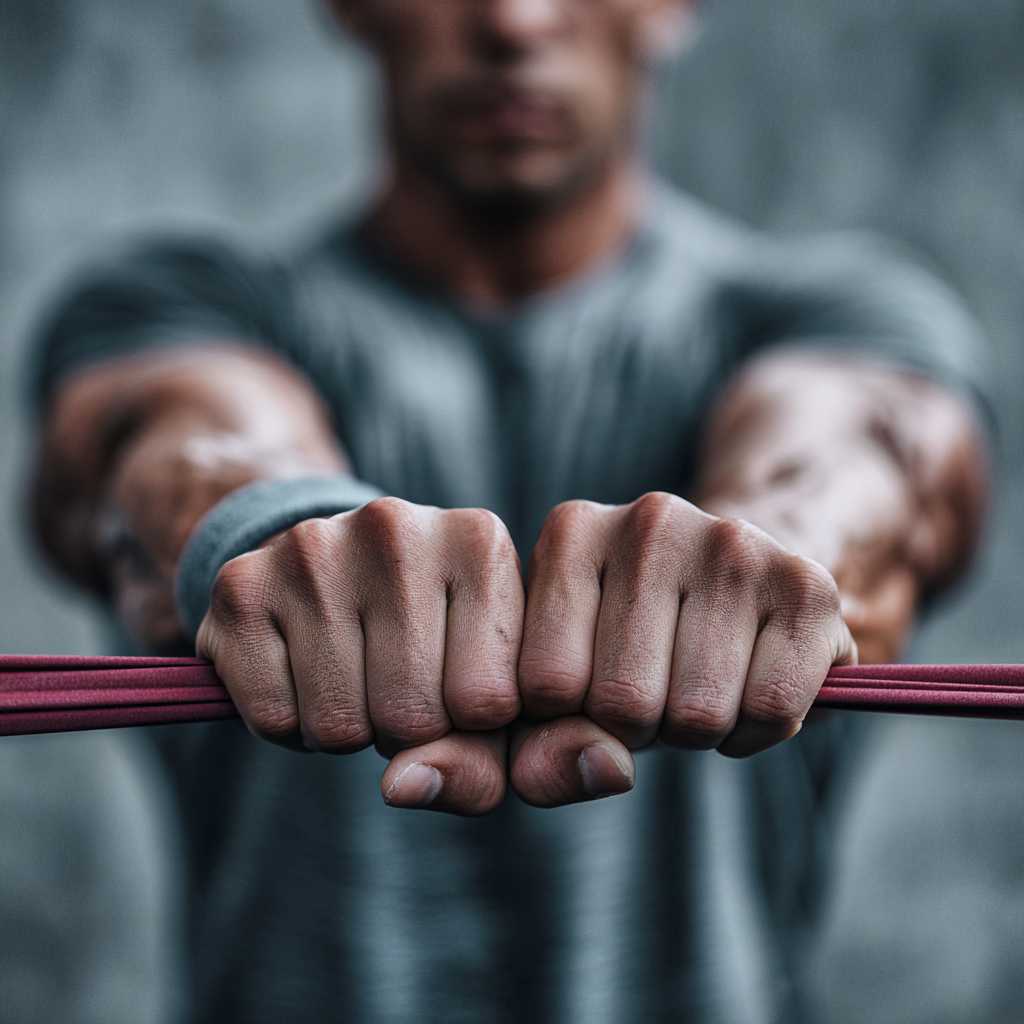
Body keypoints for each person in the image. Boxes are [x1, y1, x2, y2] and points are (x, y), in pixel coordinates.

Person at [26, 0, 996, 1020]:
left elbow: (860, 460)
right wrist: (267, 526)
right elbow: (182, 437)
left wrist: (775, 552)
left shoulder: (837, 314)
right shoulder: (174, 303)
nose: (515, 21)